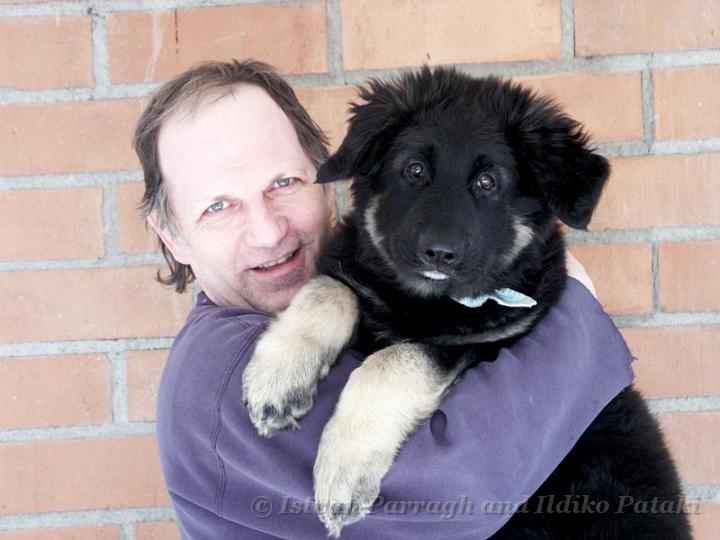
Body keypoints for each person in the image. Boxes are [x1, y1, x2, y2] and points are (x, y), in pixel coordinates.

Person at [135, 59, 634, 539]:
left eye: (284, 183)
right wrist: (576, 310)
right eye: (218, 206)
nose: (268, 232)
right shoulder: (220, 376)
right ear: (171, 235)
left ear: (326, 180)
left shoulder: (359, 286)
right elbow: (458, 494)